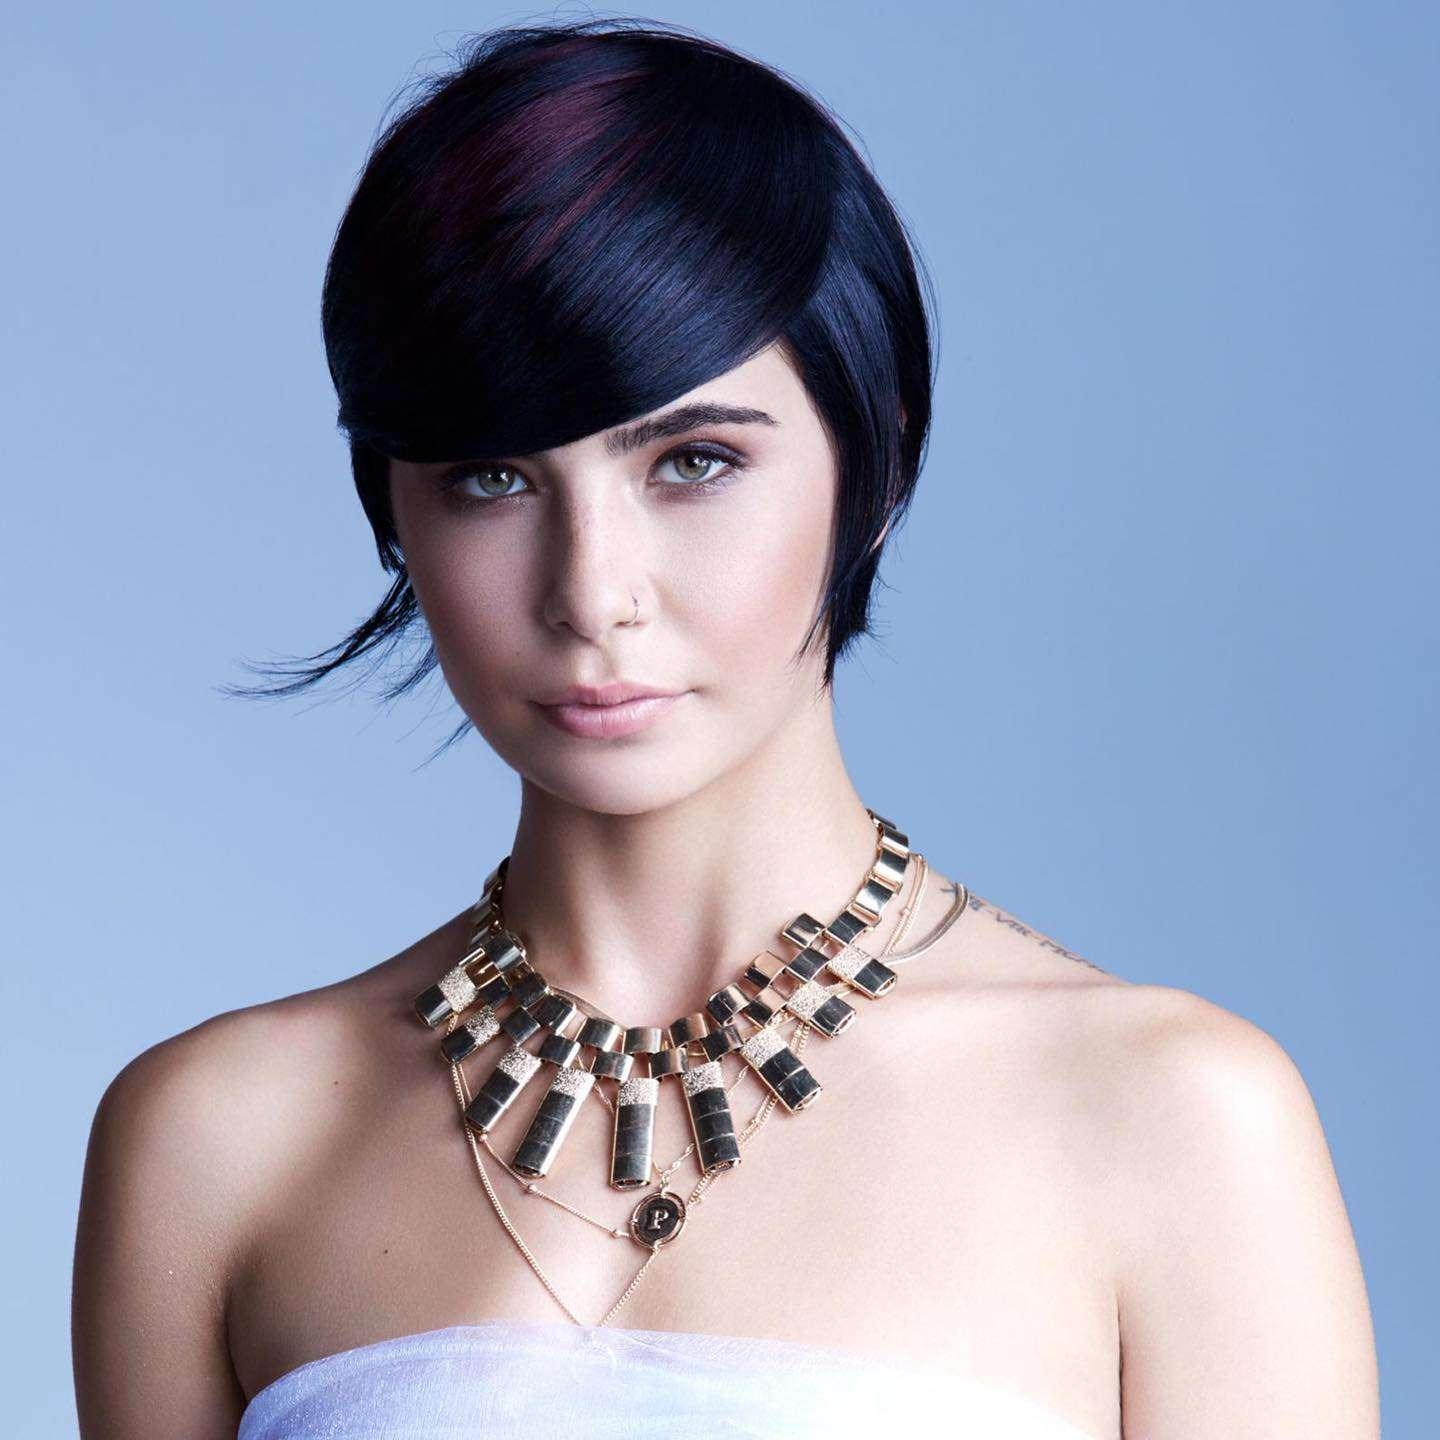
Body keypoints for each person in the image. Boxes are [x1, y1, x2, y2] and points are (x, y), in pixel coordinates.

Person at [70, 18, 1380, 1440]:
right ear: (394, 506)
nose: (592, 595)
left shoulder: (1170, 1122)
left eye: (694, 462)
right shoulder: (219, 1141)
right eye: (492, 478)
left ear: (871, 464)